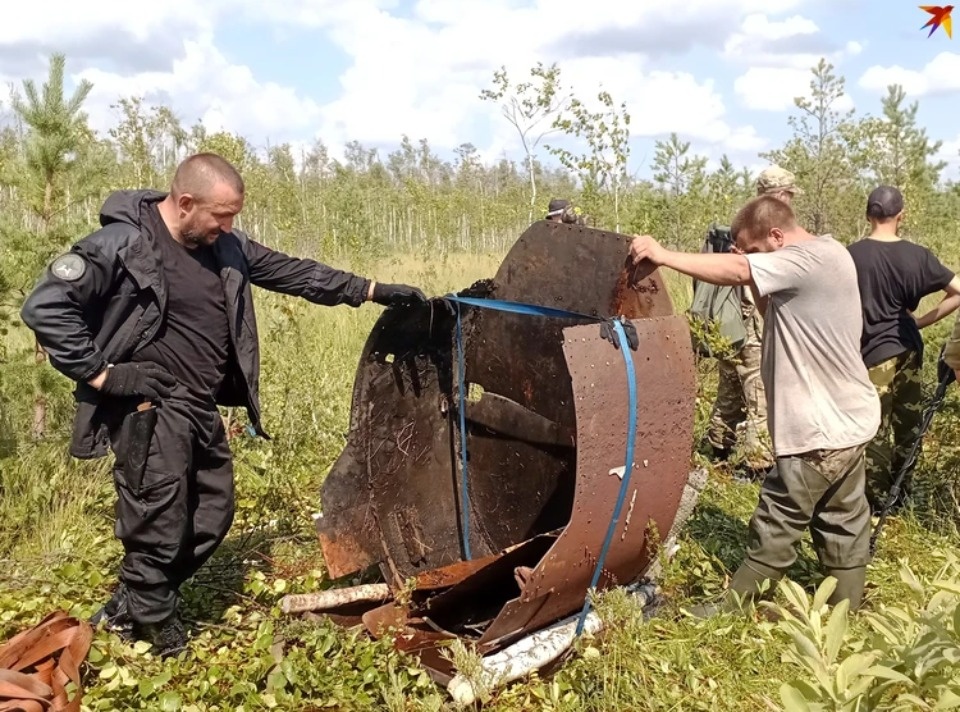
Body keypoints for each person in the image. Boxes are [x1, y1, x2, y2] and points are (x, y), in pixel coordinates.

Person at [19, 152, 427, 657]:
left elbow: (294, 273)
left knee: (213, 512)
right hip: (150, 404)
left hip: (200, 405)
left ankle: (137, 597)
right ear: (186, 202)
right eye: (221, 214)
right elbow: (46, 306)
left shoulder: (225, 245)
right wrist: (103, 374)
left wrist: (372, 290)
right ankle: (152, 626)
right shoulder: (123, 243)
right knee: (159, 518)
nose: (228, 225)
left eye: (233, 215)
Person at [629, 195, 880, 614]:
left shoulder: (806, 261)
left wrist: (663, 255)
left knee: (777, 520)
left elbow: (740, 271)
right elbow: (767, 303)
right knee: (843, 521)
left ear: (778, 236)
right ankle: (846, 609)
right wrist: (753, 268)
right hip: (851, 421)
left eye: (757, 250)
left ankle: (730, 613)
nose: (750, 259)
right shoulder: (832, 252)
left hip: (818, 430)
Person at [847, 185, 960, 512]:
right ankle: (903, 493)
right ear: (901, 216)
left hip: (871, 353)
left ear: (868, 214)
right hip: (909, 348)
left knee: (874, 426)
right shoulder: (918, 256)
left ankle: (876, 500)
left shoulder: (850, 256)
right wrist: (918, 322)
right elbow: (956, 292)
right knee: (908, 424)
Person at [702, 166, 801, 476]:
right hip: (753, 326)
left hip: (727, 322)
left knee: (728, 387)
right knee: (759, 395)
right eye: (789, 195)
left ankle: (717, 449)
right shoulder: (773, 232)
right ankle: (757, 465)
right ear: (782, 195)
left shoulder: (742, 223)